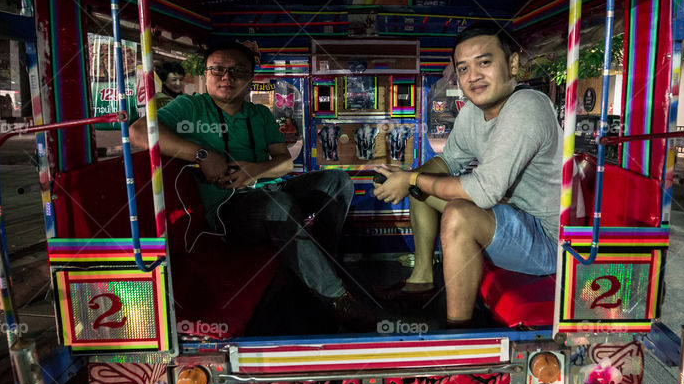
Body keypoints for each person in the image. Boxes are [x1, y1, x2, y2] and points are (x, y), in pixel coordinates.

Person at [129, 41, 375, 331]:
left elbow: (283, 163)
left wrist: (254, 170)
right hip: (226, 211)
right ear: (206, 74)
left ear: (250, 78)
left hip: (269, 192)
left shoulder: (259, 114)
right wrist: (203, 154)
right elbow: (138, 132)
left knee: (337, 181)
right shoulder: (189, 107)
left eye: (237, 72)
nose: (226, 78)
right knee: (279, 206)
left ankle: (323, 266)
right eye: (217, 69)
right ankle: (337, 301)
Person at [372, 25, 562, 328]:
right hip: (512, 216)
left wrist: (410, 180)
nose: (473, 76)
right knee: (423, 178)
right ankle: (422, 279)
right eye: (463, 68)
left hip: (548, 243)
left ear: (512, 64)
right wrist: (408, 176)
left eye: (484, 63)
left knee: (458, 212)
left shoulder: (527, 107)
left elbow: (484, 192)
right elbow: (448, 161)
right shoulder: (474, 112)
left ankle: (458, 331)